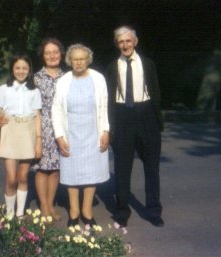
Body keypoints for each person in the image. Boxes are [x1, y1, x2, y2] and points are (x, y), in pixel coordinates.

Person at [106, 26, 164, 228]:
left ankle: (154, 211)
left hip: (146, 115)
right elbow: (108, 99)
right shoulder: (112, 67)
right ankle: (122, 212)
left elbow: (156, 91)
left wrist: (157, 121)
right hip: (122, 117)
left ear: (135, 42)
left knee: (152, 168)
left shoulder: (148, 64)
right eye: (121, 42)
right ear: (117, 44)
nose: (125, 45)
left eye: (128, 41)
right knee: (122, 168)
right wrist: (110, 125)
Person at [52, 44, 110, 227]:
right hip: (71, 133)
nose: (78, 62)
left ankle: (87, 210)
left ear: (88, 60)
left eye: (82, 59)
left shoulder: (98, 78)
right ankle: (74, 210)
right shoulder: (63, 81)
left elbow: (104, 107)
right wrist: (59, 136)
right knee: (72, 172)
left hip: (93, 132)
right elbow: (57, 109)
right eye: (75, 59)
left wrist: (105, 131)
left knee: (91, 172)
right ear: (70, 61)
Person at [0, 54, 42, 219]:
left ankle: (19, 214)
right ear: (12, 70)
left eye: (24, 68)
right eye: (17, 68)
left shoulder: (34, 90)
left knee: (22, 177)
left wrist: (38, 142)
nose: (21, 71)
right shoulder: (4, 89)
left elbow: (37, 116)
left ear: (29, 70)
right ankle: (9, 213)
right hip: (10, 131)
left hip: (28, 133)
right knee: (12, 178)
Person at [32, 38, 65, 221]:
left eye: (55, 52)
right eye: (48, 53)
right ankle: (44, 205)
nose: (52, 56)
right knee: (42, 168)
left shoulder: (67, 77)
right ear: (43, 56)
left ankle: (51, 204)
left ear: (61, 54)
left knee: (56, 169)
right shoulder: (35, 78)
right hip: (42, 127)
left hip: (61, 128)